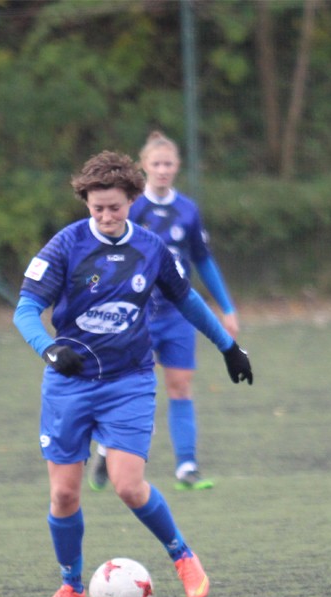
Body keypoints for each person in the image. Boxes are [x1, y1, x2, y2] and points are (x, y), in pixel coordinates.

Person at [13, 150, 253, 597]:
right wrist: (48, 348)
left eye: (115, 208)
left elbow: (187, 300)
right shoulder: (65, 246)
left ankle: (182, 556)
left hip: (129, 380)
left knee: (127, 485)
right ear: (86, 202)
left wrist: (228, 347)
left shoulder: (150, 247)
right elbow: (25, 310)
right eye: (97, 208)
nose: (106, 216)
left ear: (131, 202)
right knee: (64, 494)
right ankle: (71, 587)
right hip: (69, 384)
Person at [89, 131, 239, 492]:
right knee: (128, 387)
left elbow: (203, 260)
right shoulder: (132, 208)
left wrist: (227, 307)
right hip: (135, 314)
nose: (162, 170)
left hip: (177, 314)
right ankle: (107, 449)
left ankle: (187, 466)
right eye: (156, 163)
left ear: (177, 166)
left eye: (168, 163)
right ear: (144, 166)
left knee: (180, 385)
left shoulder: (187, 210)